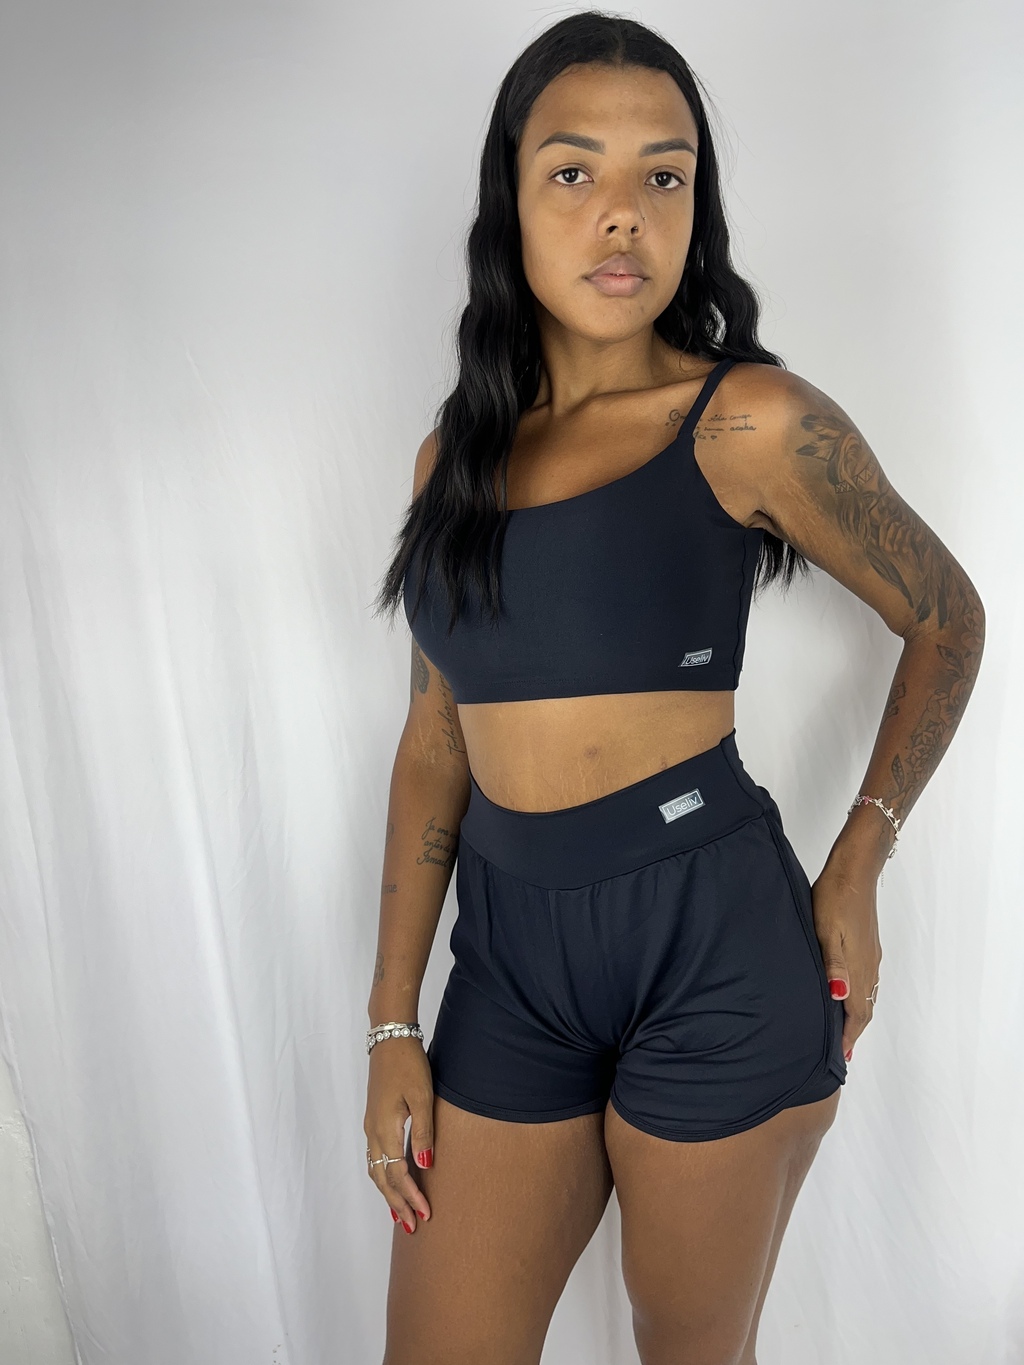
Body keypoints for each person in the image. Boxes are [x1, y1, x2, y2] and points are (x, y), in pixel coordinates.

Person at [365, 13, 985, 1365]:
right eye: (573, 171)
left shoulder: (752, 419)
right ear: (510, 197)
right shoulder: (451, 462)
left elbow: (948, 618)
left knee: (690, 1350)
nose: (623, 214)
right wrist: (393, 1020)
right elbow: (433, 745)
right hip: (511, 965)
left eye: (665, 174)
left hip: (712, 946)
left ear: (696, 206)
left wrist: (860, 860)